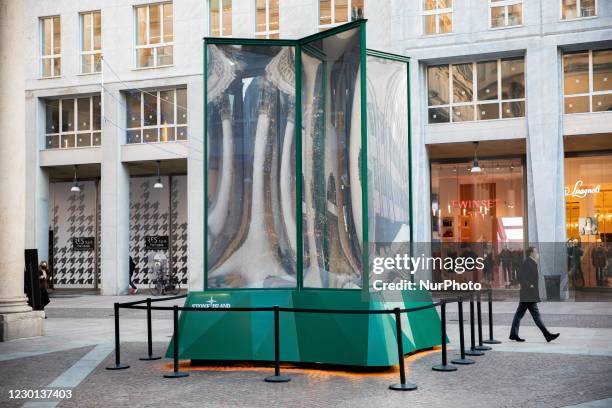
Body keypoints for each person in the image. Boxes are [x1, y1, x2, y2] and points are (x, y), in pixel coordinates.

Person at [509, 247, 560, 343]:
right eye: (536, 252)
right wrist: (530, 285)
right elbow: (520, 277)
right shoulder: (527, 263)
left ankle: (513, 334)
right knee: (536, 315)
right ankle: (547, 335)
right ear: (531, 253)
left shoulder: (532, 262)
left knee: (519, 314)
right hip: (528, 294)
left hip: (528, 294)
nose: (537, 253)